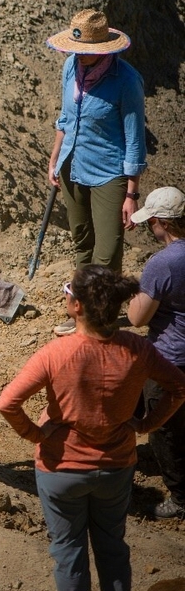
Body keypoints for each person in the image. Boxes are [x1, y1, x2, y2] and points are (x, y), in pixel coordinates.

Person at [0, 265, 185, 591]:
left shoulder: (55, 353)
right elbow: (177, 388)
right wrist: (146, 425)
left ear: (77, 307)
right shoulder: (137, 350)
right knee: (112, 548)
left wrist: (35, 435)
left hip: (61, 468)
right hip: (115, 467)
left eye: (69, 291)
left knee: (68, 552)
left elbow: (8, 402)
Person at [46, 9, 146, 334]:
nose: (80, 56)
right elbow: (65, 118)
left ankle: (100, 318)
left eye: (87, 51)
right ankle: (82, 312)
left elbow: (134, 140)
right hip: (71, 166)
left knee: (107, 250)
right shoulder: (69, 68)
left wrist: (131, 192)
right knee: (82, 242)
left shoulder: (126, 81)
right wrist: (54, 157)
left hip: (108, 173)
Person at [126, 187, 185, 520]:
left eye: (152, 223)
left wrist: (137, 291)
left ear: (163, 222)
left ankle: (180, 498)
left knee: (165, 427)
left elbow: (137, 318)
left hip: (170, 357)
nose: (151, 228)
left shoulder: (163, 263)